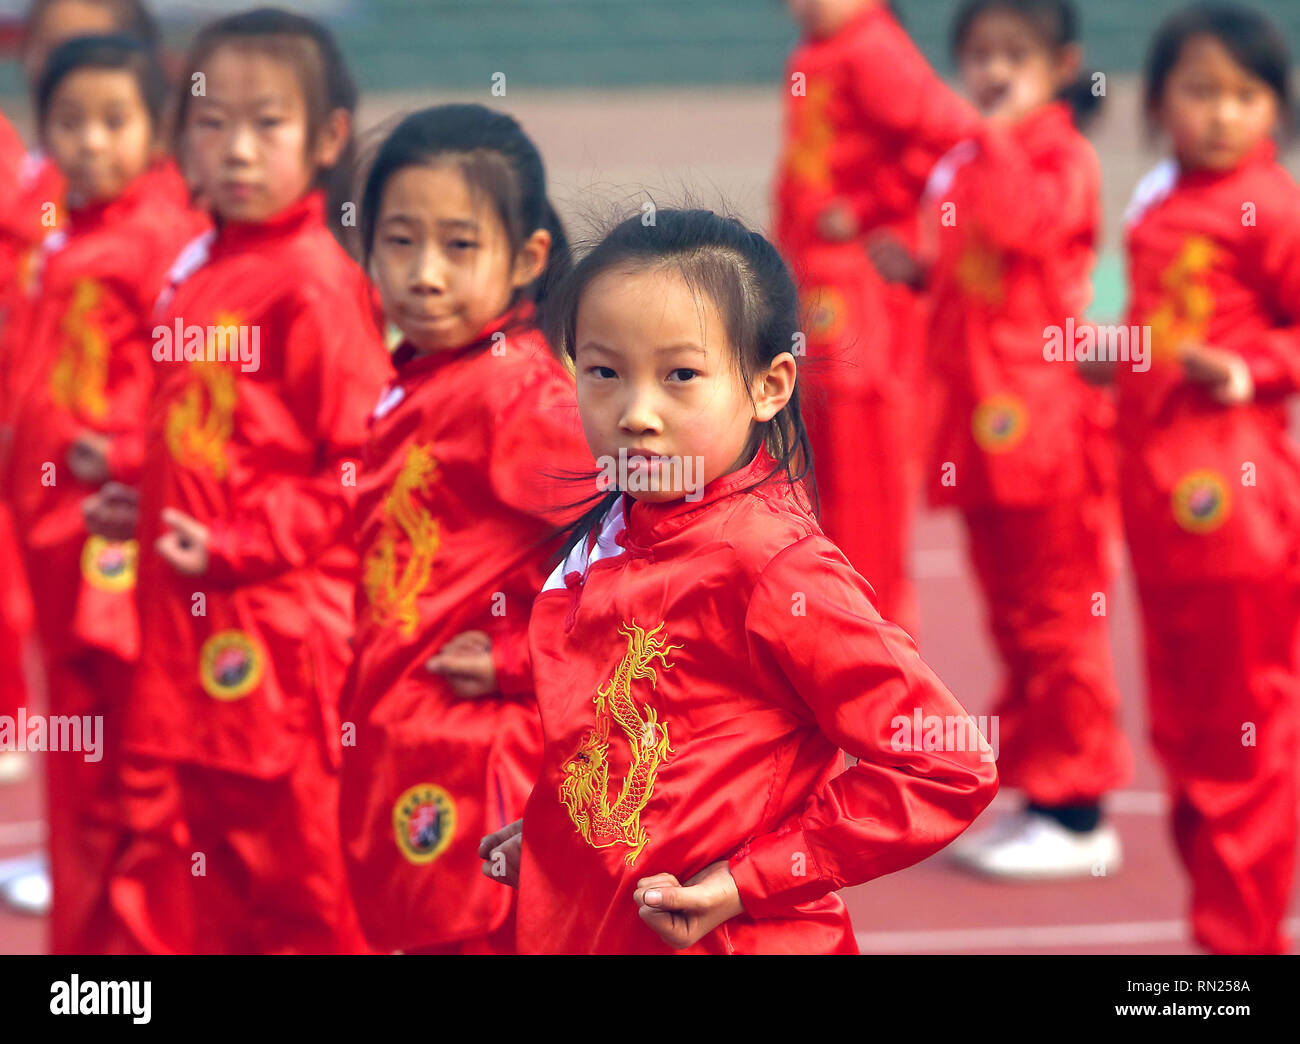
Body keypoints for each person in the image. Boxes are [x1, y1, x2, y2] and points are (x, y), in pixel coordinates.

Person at [481, 208, 998, 954]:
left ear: (769, 385)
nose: (636, 413)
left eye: (680, 376)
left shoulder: (771, 567)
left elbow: (946, 761)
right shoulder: (617, 530)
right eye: (603, 372)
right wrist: (559, 835)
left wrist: (744, 881)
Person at [85, 6, 388, 954]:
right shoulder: (201, 265)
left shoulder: (313, 282)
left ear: (327, 137)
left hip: (279, 642)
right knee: (210, 874)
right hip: (186, 629)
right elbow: (222, 439)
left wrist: (235, 541)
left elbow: (357, 467)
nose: (238, 151)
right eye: (213, 125)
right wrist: (147, 490)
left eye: (269, 125)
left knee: (301, 878)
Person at [872, 0, 1131, 878]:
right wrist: (910, 270)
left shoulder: (1058, 157)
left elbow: (1026, 227)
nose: (993, 69)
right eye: (979, 53)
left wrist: (1003, 134)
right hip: (976, 425)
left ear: (1062, 64)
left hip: (1043, 423)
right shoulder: (964, 159)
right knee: (1016, 621)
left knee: (1060, 618)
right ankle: (1038, 796)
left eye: (1015, 53)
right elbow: (960, 268)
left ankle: (1080, 807)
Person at [339, 103, 592, 955]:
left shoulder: (516, 394)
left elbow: (656, 539)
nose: (425, 274)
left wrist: (523, 660)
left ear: (526, 259)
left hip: (476, 759)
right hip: (403, 738)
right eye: (400, 241)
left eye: (459, 245)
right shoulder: (426, 375)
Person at [2, 33, 203, 954]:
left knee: (132, 752)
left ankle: (136, 946)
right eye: (69, 124)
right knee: (81, 745)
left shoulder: (163, 238)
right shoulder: (70, 230)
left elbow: (192, 395)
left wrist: (119, 452)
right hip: (50, 533)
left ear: (156, 126)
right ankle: (85, 950)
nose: (90, 142)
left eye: (113, 121)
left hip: (111, 535)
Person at [1116, 2, 1300, 954]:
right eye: (1200, 90)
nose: (1223, 114)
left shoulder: (1271, 205)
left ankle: (1238, 951)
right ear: (1158, 103)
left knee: (1243, 741)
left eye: (1247, 94)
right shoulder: (1158, 201)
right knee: (1188, 743)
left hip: (1237, 513)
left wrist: (1252, 369)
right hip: (1159, 512)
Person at [774, 0, 979, 636]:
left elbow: (955, 137)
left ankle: (874, 637)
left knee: (865, 466)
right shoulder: (817, 53)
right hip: (817, 288)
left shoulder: (872, 48)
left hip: (861, 291)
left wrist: (868, 207)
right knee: (819, 463)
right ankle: (836, 627)